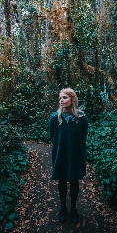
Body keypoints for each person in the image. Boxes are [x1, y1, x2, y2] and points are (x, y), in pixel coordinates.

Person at [49, 88, 88, 224]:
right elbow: (52, 135)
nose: (61, 100)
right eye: (60, 98)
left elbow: (84, 133)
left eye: (65, 97)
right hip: (61, 153)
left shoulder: (81, 118)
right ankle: (63, 207)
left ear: (72, 99)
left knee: (74, 180)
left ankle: (74, 207)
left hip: (76, 153)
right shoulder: (55, 117)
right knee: (62, 180)